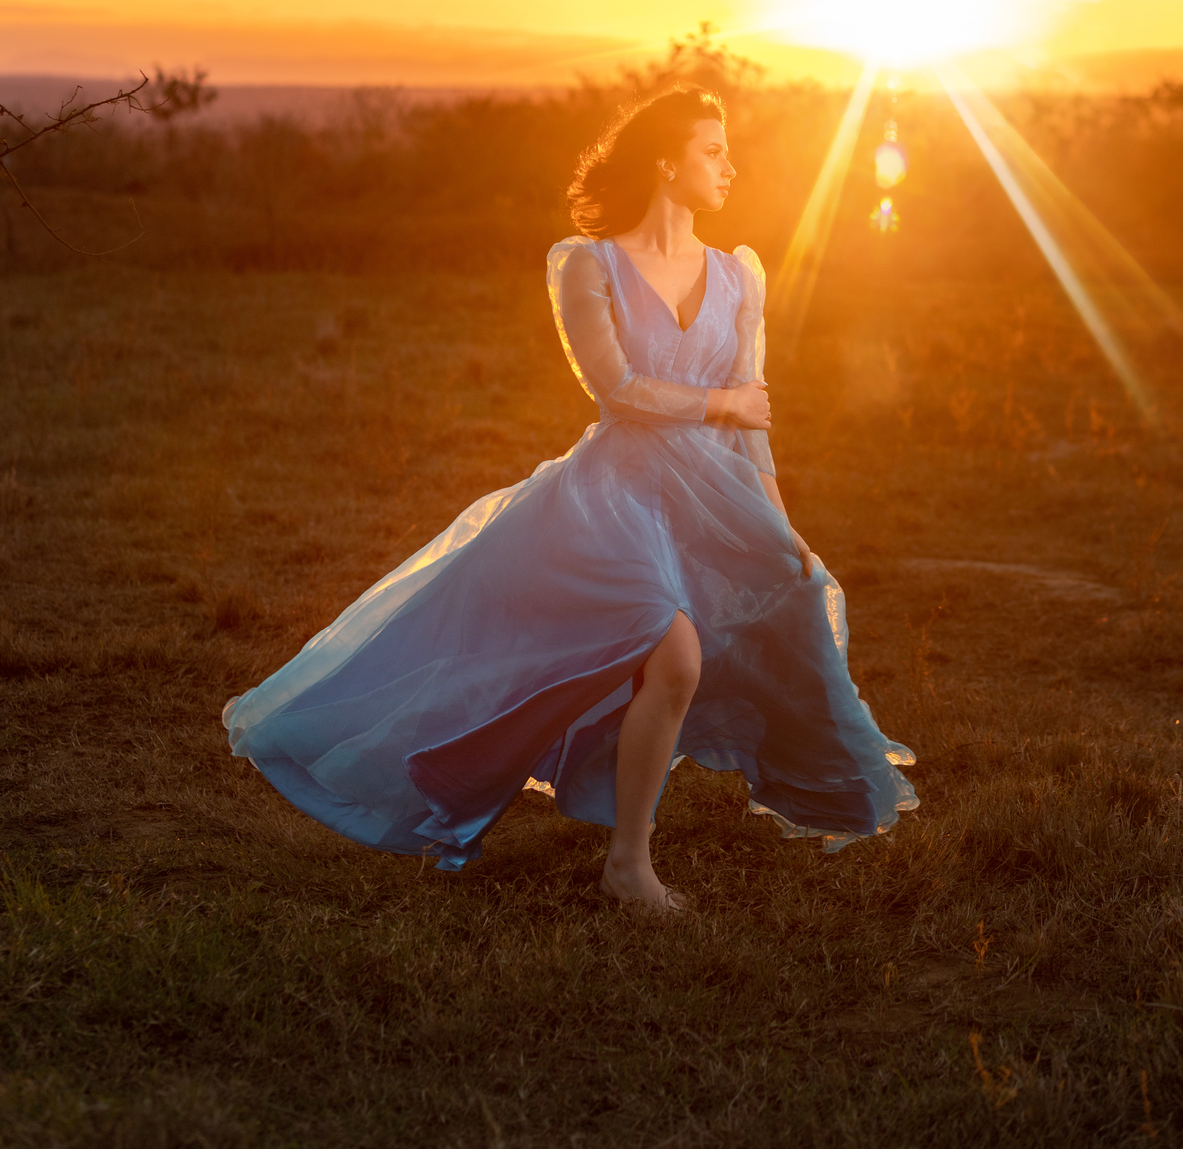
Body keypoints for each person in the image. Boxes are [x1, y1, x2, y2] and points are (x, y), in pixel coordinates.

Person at [223, 86, 916, 910]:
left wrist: (779, 522)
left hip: (714, 498)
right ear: (667, 162)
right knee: (678, 653)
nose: (730, 165)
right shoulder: (589, 263)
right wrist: (720, 407)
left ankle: (654, 841)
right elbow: (616, 389)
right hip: (614, 496)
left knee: (777, 609)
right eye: (713, 149)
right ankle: (630, 863)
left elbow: (753, 415)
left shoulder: (740, 276)